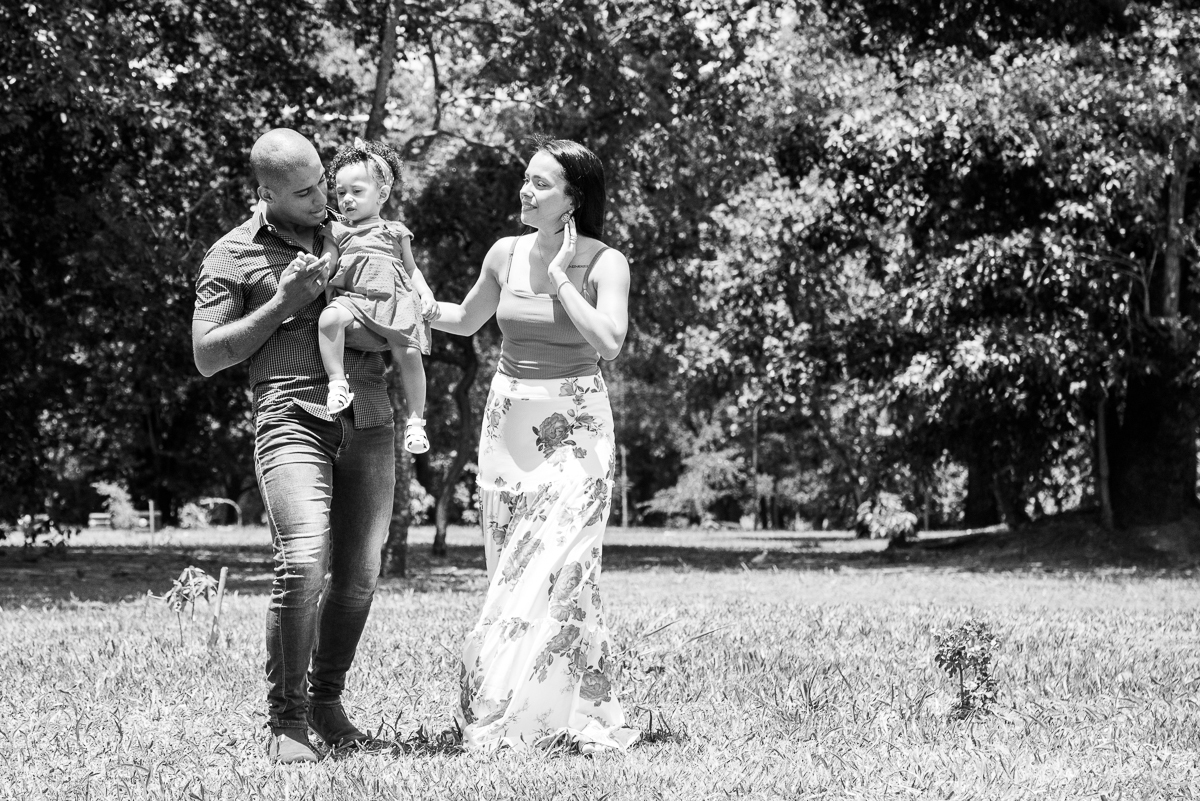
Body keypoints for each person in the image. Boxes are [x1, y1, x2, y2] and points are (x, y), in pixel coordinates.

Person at [192, 128, 395, 764]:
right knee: (305, 558)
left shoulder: (353, 231)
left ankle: (327, 702)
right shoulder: (232, 256)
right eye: (305, 192)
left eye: (323, 185)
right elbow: (205, 355)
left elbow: (398, 301)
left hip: (368, 414)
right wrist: (284, 301)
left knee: (360, 573)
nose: (321, 200)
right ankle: (287, 719)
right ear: (266, 192)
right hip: (290, 417)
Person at [430, 138, 639, 753]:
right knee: (512, 567)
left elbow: (609, 341)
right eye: (526, 179)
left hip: (576, 422)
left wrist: (558, 281)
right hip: (508, 419)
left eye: (542, 184)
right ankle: (521, 712)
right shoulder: (502, 253)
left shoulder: (606, 263)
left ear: (573, 200)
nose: (526, 191)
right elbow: (466, 320)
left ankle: (568, 716)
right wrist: (400, 299)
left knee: (564, 567)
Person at [318, 138, 435, 453]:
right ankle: (337, 383)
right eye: (340, 193)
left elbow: (412, 270)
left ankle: (415, 422)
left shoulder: (395, 232)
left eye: (357, 191)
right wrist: (316, 270)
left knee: (410, 354)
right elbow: (328, 262)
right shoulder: (337, 231)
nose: (347, 200)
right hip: (355, 304)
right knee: (329, 317)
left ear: (381, 194)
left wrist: (425, 294)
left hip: (394, 305)